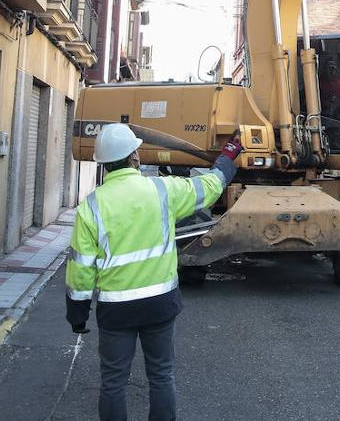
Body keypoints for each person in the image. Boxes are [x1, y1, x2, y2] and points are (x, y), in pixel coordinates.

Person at [66, 123, 241, 421]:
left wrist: (78, 312)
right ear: (135, 156)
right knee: (161, 376)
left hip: (116, 310)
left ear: (104, 164)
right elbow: (210, 188)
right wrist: (228, 155)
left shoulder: (91, 207)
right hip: (160, 304)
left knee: (113, 383)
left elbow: (81, 268)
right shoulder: (162, 190)